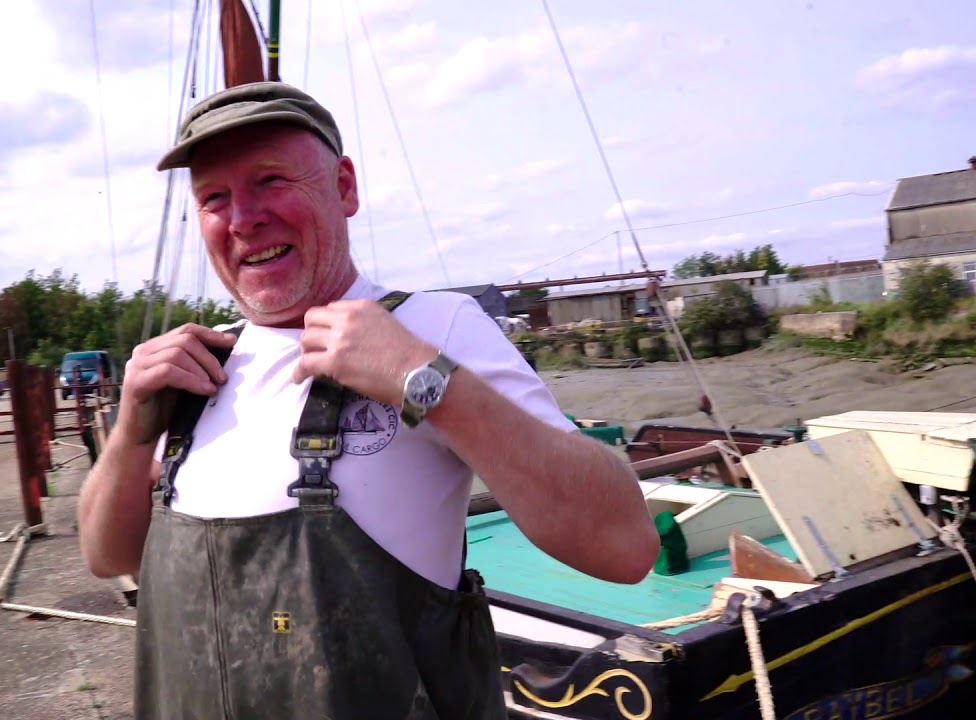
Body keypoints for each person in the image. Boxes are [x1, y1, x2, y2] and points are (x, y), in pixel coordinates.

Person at [76, 81, 659, 719]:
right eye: (215, 197)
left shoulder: (437, 329)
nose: (243, 218)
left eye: (270, 180)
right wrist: (132, 433)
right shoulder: (195, 370)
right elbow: (109, 555)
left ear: (345, 187)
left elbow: (624, 546)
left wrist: (423, 380)